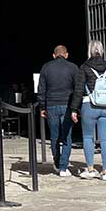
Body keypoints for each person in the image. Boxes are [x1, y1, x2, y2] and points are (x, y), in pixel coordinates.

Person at [69, 41, 106, 179]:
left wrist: (74, 108)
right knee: (105, 139)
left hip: (89, 104)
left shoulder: (85, 67)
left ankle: (90, 168)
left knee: (88, 137)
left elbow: (78, 89)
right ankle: (105, 171)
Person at [37, 45, 81, 177]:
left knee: (54, 136)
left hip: (51, 105)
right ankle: (63, 167)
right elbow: (78, 89)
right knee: (67, 137)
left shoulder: (46, 67)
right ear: (66, 55)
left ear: (54, 55)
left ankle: (56, 162)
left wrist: (42, 106)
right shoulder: (73, 67)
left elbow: (41, 89)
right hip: (67, 105)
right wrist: (76, 108)